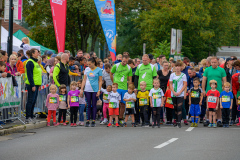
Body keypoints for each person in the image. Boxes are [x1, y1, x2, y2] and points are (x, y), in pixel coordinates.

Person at [202, 57, 226, 127]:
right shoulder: (207, 70)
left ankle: (218, 119)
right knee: (208, 106)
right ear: (210, 62)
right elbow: (204, 80)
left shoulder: (221, 70)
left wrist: (224, 90)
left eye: (215, 62)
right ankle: (208, 120)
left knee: (217, 106)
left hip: (218, 91)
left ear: (218, 62)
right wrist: (203, 90)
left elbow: (224, 80)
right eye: (212, 62)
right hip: (209, 91)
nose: (213, 64)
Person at [134, 54, 157, 125]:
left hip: (149, 88)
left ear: (149, 60)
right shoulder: (139, 66)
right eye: (143, 60)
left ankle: (147, 120)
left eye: (145, 60)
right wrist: (135, 87)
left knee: (148, 106)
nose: (144, 61)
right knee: (140, 105)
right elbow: (136, 77)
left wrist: (154, 88)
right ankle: (140, 120)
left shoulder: (152, 67)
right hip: (140, 89)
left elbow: (154, 77)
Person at [80, 57, 102, 127]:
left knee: (94, 105)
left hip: (95, 89)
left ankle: (93, 120)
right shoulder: (87, 69)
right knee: (88, 105)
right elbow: (84, 80)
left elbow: (100, 81)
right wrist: (81, 89)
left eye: (89, 64)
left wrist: (99, 90)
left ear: (93, 63)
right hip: (87, 89)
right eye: (87, 64)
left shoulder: (99, 70)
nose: (88, 65)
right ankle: (88, 120)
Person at [110, 55, 132, 124]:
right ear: (121, 59)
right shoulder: (116, 66)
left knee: (123, 104)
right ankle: (114, 119)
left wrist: (129, 88)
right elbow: (111, 74)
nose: (124, 62)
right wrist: (114, 82)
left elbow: (130, 79)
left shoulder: (129, 68)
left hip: (125, 88)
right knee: (115, 103)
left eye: (126, 61)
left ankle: (120, 118)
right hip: (117, 88)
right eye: (123, 61)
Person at [25, 48, 42, 124]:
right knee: (30, 100)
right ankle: (28, 117)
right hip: (32, 84)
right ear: (33, 54)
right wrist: (33, 85)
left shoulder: (35, 62)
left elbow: (37, 74)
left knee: (33, 101)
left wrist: (39, 84)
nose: (38, 54)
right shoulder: (30, 62)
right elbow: (30, 75)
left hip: (36, 84)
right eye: (37, 53)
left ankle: (31, 116)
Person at [169, 61, 187, 128]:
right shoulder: (172, 75)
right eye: (176, 66)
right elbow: (170, 84)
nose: (177, 68)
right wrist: (173, 91)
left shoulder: (183, 75)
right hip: (173, 93)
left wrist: (180, 92)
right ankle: (175, 120)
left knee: (179, 107)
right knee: (175, 107)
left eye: (179, 66)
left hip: (180, 94)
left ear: (181, 67)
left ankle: (179, 121)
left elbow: (185, 84)